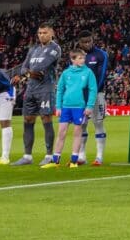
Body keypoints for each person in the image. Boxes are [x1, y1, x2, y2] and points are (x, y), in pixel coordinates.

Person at [11, 22, 62, 166]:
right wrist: (29, 73)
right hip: (31, 88)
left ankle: (49, 155)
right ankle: (27, 156)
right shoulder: (33, 49)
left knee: (46, 119)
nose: (41, 35)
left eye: (45, 33)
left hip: (46, 88)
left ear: (52, 33)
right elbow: (24, 68)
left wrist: (28, 72)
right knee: (27, 120)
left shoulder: (55, 48)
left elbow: (42, 67)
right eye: (39, 33)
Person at [42, 49, 97, 168]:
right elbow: (60, 90)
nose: (83, 60)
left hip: (80, 108)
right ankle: (55, 161)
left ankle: (73, 161)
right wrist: (58, 107)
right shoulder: (66, 73)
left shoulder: (88, 72)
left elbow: (93, 90)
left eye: (83, 58)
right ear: (73, 59)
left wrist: (89, 106)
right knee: (61, 133)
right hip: (66, 107)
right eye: (80, 58)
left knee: (77, 134)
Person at [76, 30, 109, 166]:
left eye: (89, 41)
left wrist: (93, 92)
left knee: (98, 123)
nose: (87, 44)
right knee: (81, 124)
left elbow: (101, 76)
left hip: (97, 94)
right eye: (84, 42)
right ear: (79, 42)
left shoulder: (101, 54)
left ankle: (99, 157)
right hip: (79, 96)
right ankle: (81, 156)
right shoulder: (76, 56)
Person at [0, 68, 15, 164]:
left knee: (5, 122)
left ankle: (5, 156)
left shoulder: (0, 73)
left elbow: (8, 85)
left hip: (5, 94)